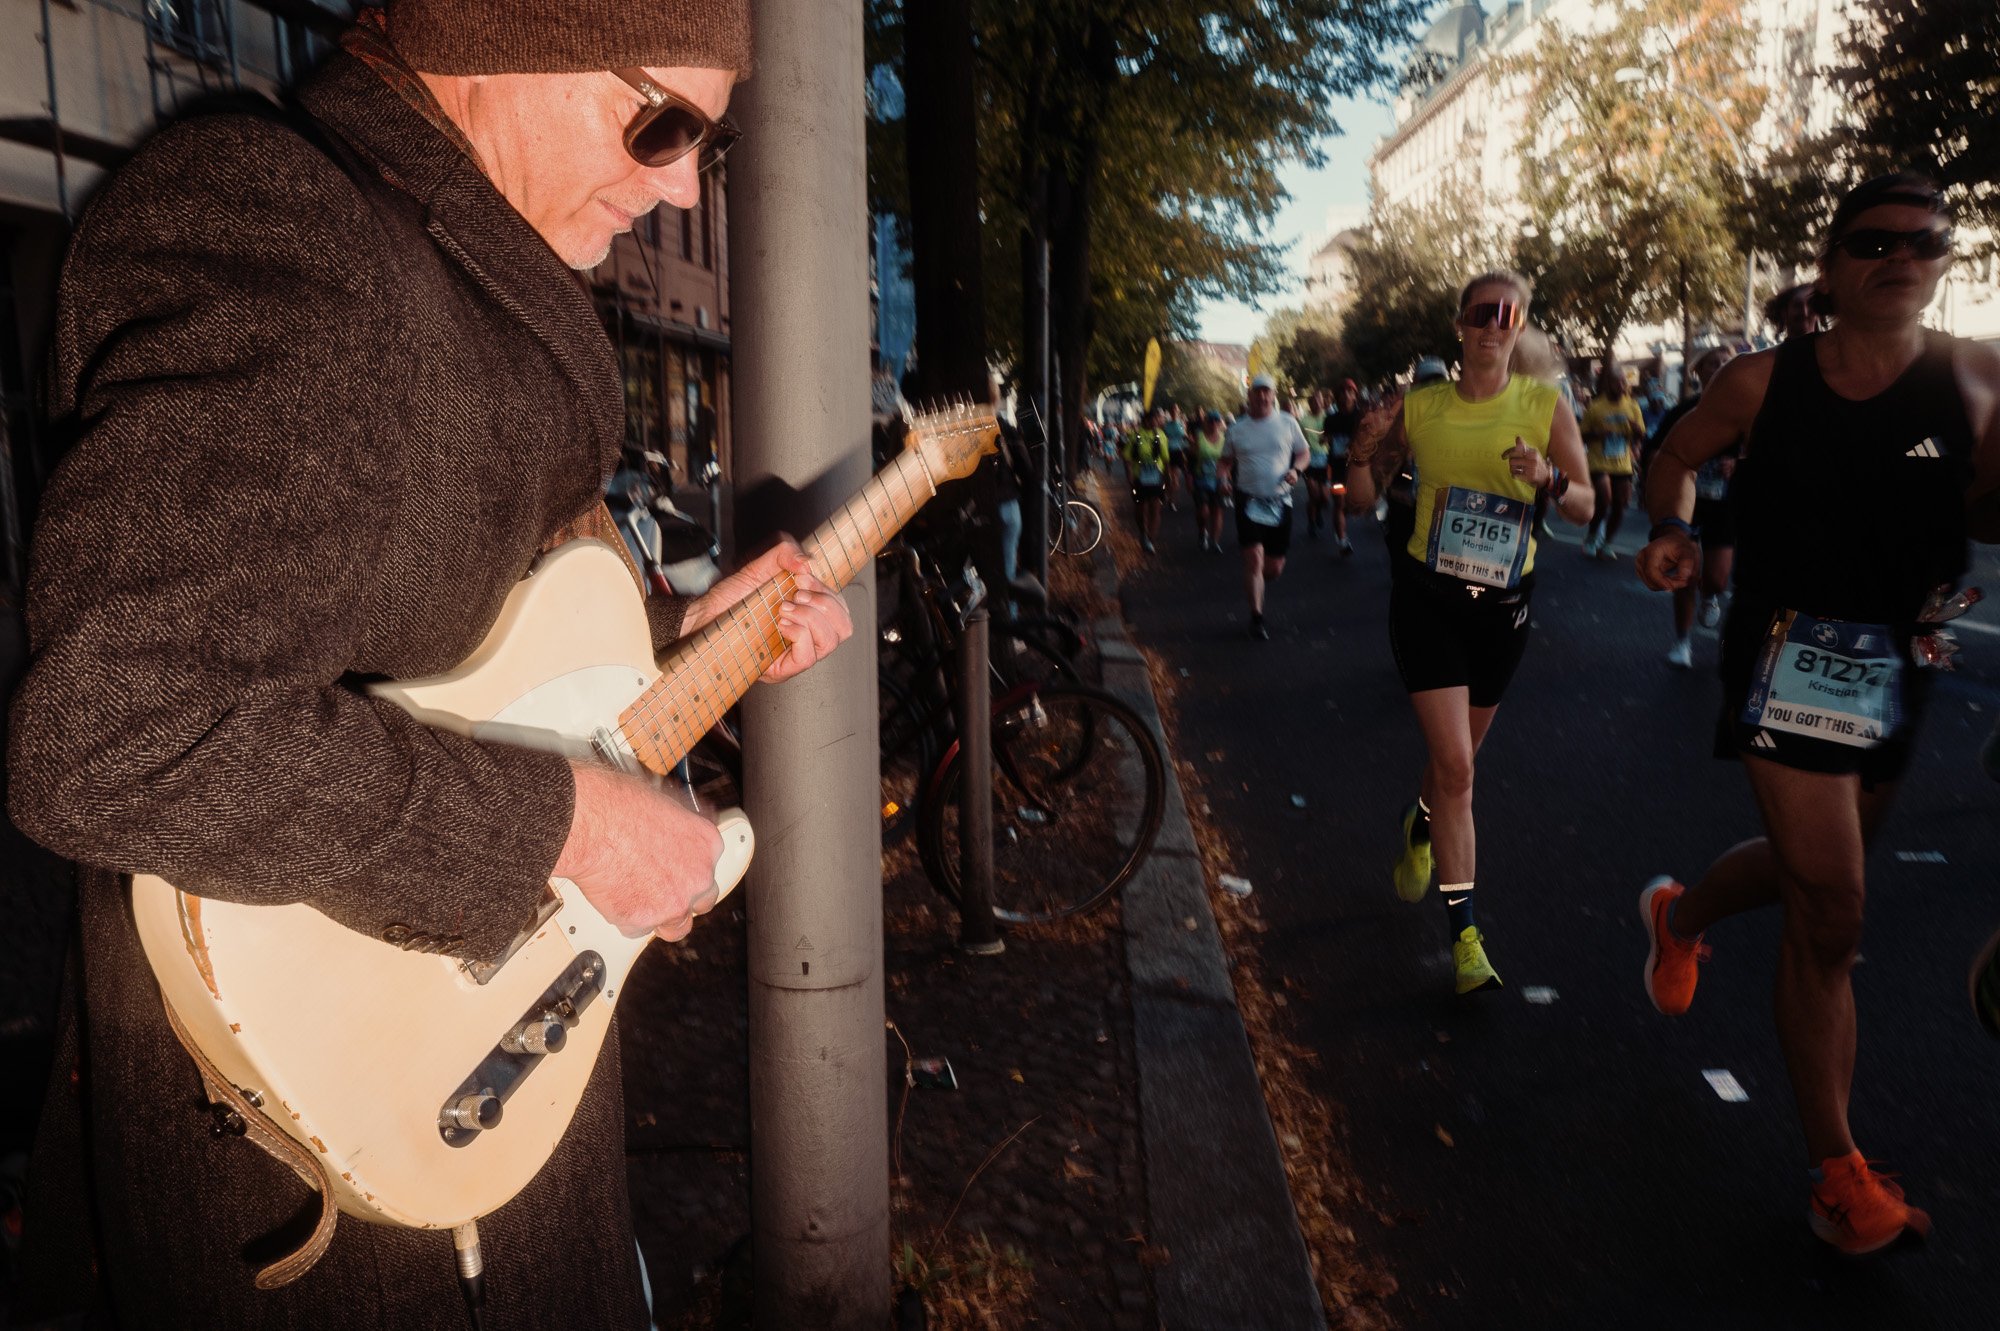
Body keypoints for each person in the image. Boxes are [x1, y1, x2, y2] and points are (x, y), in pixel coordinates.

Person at [3, 4, 858, 1326]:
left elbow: (457, 665)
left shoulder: (455, 262)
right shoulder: (292, 230)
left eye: (709, 139)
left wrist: (695, 637)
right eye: (659, 121)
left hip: (471, 1148)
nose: (684, 180)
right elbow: (121, 726)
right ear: (494, 42)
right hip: (327, 1206)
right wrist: (566, 828)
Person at [1635, 172, 2000, 1257]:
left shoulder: (1978, 384)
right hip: (1788, 653)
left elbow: (1990, 514)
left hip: (1907, 653)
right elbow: (1673, 453)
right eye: (1876, 240)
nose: (1903, 256)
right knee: (1833, 909)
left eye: (1925, 241)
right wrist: (1668, 526)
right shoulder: (1759, 381)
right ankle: (1834, 1170)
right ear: (1832, 265)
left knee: (1815, 878)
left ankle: (1679, 914)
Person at [1346, 273, 1593, 995]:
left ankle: (1418, 821)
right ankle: (1466, 941)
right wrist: (1361, 454)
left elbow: (1582, 507)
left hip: (1504, 611)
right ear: (1460, 323)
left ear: (1521, 327)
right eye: (1483, 313)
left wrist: (1549, 478)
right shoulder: (1422, 409)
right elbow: (1361, 501)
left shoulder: (1546, 406)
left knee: (1454, 768)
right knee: (1458, 767)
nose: (1495, 325)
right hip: (1429, 601)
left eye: (1508, 315)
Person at [1649, 345, 1738, 667]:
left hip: (1723, 505)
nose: (1719, 368)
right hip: (1685, 504)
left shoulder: (1743, 414)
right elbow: (1656, 450)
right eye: (1712, 363)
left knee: (1715, 578)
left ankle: (1711, 595)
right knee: (1683, 573)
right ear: (1699, 372)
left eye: (1726, 363)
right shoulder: (1683, 412)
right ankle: (1682, 642)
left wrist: (1739, 462)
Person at [1221, 374, 1308, 640]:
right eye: (1256, 392)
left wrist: (1296, 470)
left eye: (1266, 392)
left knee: (1273, 568)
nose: (1261, 397)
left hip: (1280, 501)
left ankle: (1256, 580)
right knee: (1254, 559)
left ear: (1273, 395)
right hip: (1248, 501)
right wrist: (1223, 478)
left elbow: (1304, 453)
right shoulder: (1237, 429)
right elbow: (1224, 462)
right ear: (1249, 397)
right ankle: (1256, 617)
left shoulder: (1288, 422)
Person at [1579, 365, 1645, 560]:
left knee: (1620, 504)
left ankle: (1607, 542)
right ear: (1608, 384)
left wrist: (1635, 430)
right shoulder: (1596, 407)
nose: (1621, 385)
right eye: (1617, 381)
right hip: (1599, 461)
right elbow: (1581, 435)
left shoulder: (1632, 406)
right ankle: (1591, 537)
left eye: (1624, 381)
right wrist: (1597, 434)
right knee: (1604, 498)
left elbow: (1641, 434)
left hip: (1622, 462)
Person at [1122, 405, 1171, 554]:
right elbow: (1127, 457)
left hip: (1156, 477)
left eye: (1158, 418)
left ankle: (1150, 539)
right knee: (1140, 508)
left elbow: (1166, 458)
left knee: (1155, 508)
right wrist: (1130, 476)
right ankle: (1143, 533)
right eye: (1155, 418)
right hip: (1139, 478)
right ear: (1147, 420)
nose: (1157, 421)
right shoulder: (1135, 435)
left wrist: (1167, 478)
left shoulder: (1161, 435)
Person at [1322, 381, 1361, 556]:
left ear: (1355, 395)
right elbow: (1326, 437)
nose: (1346, 395)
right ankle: (1342, 540)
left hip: (1359, 470)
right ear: (1337, 397)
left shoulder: (1362, 417)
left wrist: (1353, 448)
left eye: (1349, 391)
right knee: (1339, 503)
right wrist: (1326, 440)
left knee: (1353, 504)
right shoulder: (1330, 419)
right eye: (1342, 392)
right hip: (1337, 468)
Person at [1190, 409, 1228, 552]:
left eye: (1216, 421)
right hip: (1201, 478)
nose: (1213, 424)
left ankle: (1215, 541)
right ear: (1205, 423)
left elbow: (1228, 461)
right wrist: (1189, 477)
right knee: (1204, 511)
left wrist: (1226, 479)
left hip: (1218, 479)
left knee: (1217, 510)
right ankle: (1202, 532)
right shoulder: (1199, 437)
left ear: (1220, 423)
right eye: (1210, 421)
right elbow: (1191, 459)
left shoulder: (1224, 439)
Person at [1163, 402, 1190, 511]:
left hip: (1178, 452)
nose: (1174, 411)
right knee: (1168, 478)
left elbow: (1185, 437)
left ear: (1178, 412)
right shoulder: (1166, 425)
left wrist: (1191, 443)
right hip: (1167, 452)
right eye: (1173, 410)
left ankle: (1172, 500)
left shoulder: (1182, 424)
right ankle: (1167, 494)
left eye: (1176, 409)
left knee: (1175, 479)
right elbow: (1163, 437)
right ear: (1170, 412)